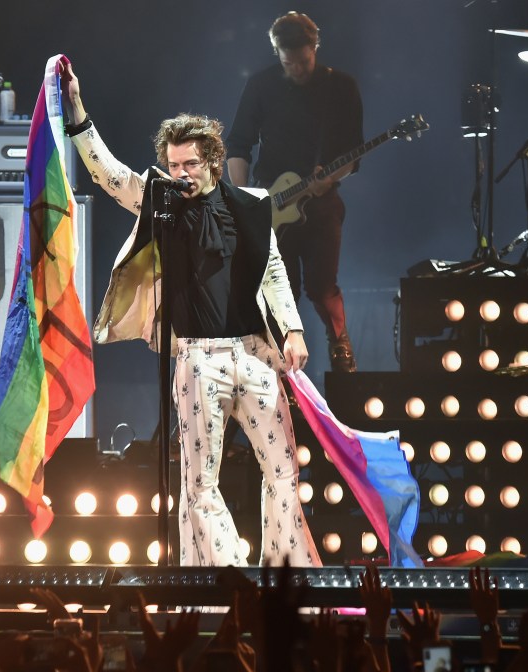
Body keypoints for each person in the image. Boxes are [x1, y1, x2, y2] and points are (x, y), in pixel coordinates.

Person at [59, 58, 320, 568]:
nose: (180, 174)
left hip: (254, 352)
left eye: (190, 165)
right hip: (197, 359)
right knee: (201, 481)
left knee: (285, 472)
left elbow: (273, 271)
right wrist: (78, 113)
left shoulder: (249, 205)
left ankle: (287, 577)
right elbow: (107, 175)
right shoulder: (159, 201)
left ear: (213, 164)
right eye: (173, 165)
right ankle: (224, 584)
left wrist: (292, 328)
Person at [227, 11, 364, 373]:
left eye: (303, 61)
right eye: (289, 63)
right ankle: (279, 370)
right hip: (272, 206)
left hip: (322, 204)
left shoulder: (341, 87)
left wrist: (331, 177)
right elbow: (238, 144)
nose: (298, 69)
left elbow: (354, 153)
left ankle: (340, 343)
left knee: (322, 286)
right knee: (278, 292)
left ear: (315, 46)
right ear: (277, 53)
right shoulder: (260, 85)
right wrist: (244, 203)